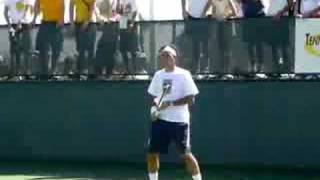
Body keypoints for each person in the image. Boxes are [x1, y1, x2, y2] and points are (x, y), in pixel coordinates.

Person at [146, 45, 202, 180]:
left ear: (174, 57)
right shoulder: (158, 75)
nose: (165, 58)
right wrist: (154, 108)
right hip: (160, 121)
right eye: (162, 56)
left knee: (185, 155)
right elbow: (154, 97)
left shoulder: (184, 74)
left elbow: (191, 99)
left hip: (179, 122)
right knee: (152, 153)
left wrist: (170, 104)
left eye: (167, 55)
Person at [32, 0, 64, 79]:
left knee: (56, 49)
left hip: (56, 23)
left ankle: (53, 71)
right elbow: (37, 4)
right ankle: (44, 72)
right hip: (45, 23)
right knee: (43, 49)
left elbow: (62, 6)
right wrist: (34, 18)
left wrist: (61, 18)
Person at [4, 0, 34, 80]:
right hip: (13, 26)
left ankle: (27, 73)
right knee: (14, 50)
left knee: (26, 49)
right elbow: (5, 12)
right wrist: (10, 26)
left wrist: (20, 22)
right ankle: (15, 73)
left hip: (25, 25)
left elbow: (27, 9)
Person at [181, 0, 211, 74]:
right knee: (194, 44)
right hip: (191, 17)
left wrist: (204, 12)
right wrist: (184, 10)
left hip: (205, 17)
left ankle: (205, 69)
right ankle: (195, 69)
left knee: (205, 44)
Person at [70, 0, 97, 79]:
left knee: (90, 48)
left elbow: (92, 7)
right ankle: (79, 71)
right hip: (78, 23)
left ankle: (90, 71)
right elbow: (71, 7)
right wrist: (71, 22)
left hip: (90, 24)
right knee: (80, 49)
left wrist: (87, 21)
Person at [95, 0, 119, 79]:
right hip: (105, 32)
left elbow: (119, 14)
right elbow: (97, 13)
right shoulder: (99, 2)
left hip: (114, 31)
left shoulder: (117, 2)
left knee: (111, 53)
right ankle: (99, 73)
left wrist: (114, 19)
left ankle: (109, 73)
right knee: (100, 52)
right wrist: (103, 19)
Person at [117, 0, 139, 75]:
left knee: (133, 49)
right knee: (123, 49)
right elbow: (118, 12)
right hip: (123, 23)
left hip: (130, 23)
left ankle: (135, 70)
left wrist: (132, 24)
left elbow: (135, 11)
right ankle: (127, 70)